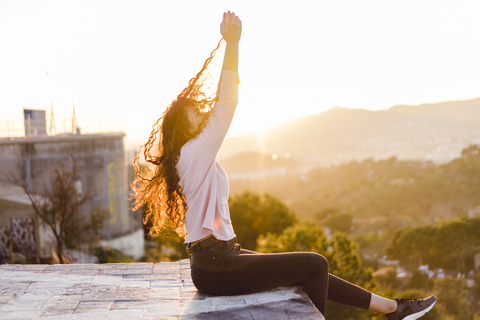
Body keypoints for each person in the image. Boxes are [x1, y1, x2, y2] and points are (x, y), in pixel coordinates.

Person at [132, 11, 437, 320]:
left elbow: (212, 211)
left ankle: (392, 308)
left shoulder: (190, 155)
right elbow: (227, 102)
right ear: (183, 125)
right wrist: (233, 43)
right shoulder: (195, 150)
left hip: (216, 258)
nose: (202, 113)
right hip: (215, 264)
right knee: (315, 263)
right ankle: (389, 310)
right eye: (194, 112)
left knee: (305, 270)